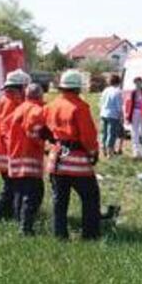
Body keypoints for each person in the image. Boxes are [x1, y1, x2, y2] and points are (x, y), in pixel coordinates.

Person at [44, 69, 101, 240]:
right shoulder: (80, 107)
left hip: (56, 158)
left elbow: (44, 130)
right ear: (78, 88)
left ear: (62, 87)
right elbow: (88, 135)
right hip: (76, 160)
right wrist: (93, 152)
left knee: (59, 200)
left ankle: (59, 235)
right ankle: (90, 235)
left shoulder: (50, 106)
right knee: (90, 196)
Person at [0, 69, 31, 221]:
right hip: (6, 151)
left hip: (2, 149)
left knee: (11, 185)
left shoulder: (8, 99)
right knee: (11, 185)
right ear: (20, 87)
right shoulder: (11, 102)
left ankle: (6, 214)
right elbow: (8, 130)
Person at [7, 84, 47, 235]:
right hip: (29, 157)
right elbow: (34, 133)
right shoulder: (36, 111)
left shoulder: (20, 108)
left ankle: (18, 221)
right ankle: (26, 228)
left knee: (19, 191)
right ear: (40, 95)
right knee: (34, 193)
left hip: (15, 155)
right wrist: (44, 144)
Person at [124, 77, 142, 160]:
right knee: (134, 132)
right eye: (136, 82)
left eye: (139, 82)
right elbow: (128, 104)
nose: (138, 84)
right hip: (134, 113)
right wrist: (127, 116)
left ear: (141, 83)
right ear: (134, 83)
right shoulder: (132, 93)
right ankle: (136, 152)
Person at [99, 74, 123, 158]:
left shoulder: (106, 90)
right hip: (113, 115)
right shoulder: (118, 91)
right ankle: (110, 152)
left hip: (103, 113)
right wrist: (121, 115)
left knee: (104, 133)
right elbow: (118, 105)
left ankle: (103, 150)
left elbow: (101, 101)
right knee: (111, 134)